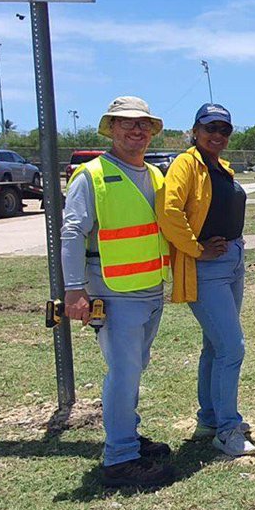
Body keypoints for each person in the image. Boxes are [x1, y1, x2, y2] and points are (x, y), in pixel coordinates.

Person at [60, 96, 174, 487]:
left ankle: (128, 436)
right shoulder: (91, 176)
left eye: (143, 124)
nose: (136, 131)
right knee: (123, 373)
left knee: (134, 368)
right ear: (111, 129)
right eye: (126, 124)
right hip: (112, 291)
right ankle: (120, 458)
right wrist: (73, 290)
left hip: (150, 288)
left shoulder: (157, 176)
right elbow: (72, 232)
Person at [157, 103, 254, 457]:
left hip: (233, 260)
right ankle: (227, 429)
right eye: (210, 128)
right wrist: (195, 249)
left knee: (215, 346)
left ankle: (209, 419)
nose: (217, 135)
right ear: (195, 131)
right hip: (207, 267)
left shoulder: (222, 167)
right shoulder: (185, 164)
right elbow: (168, 211)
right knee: (232, 347)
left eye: (224, 130)